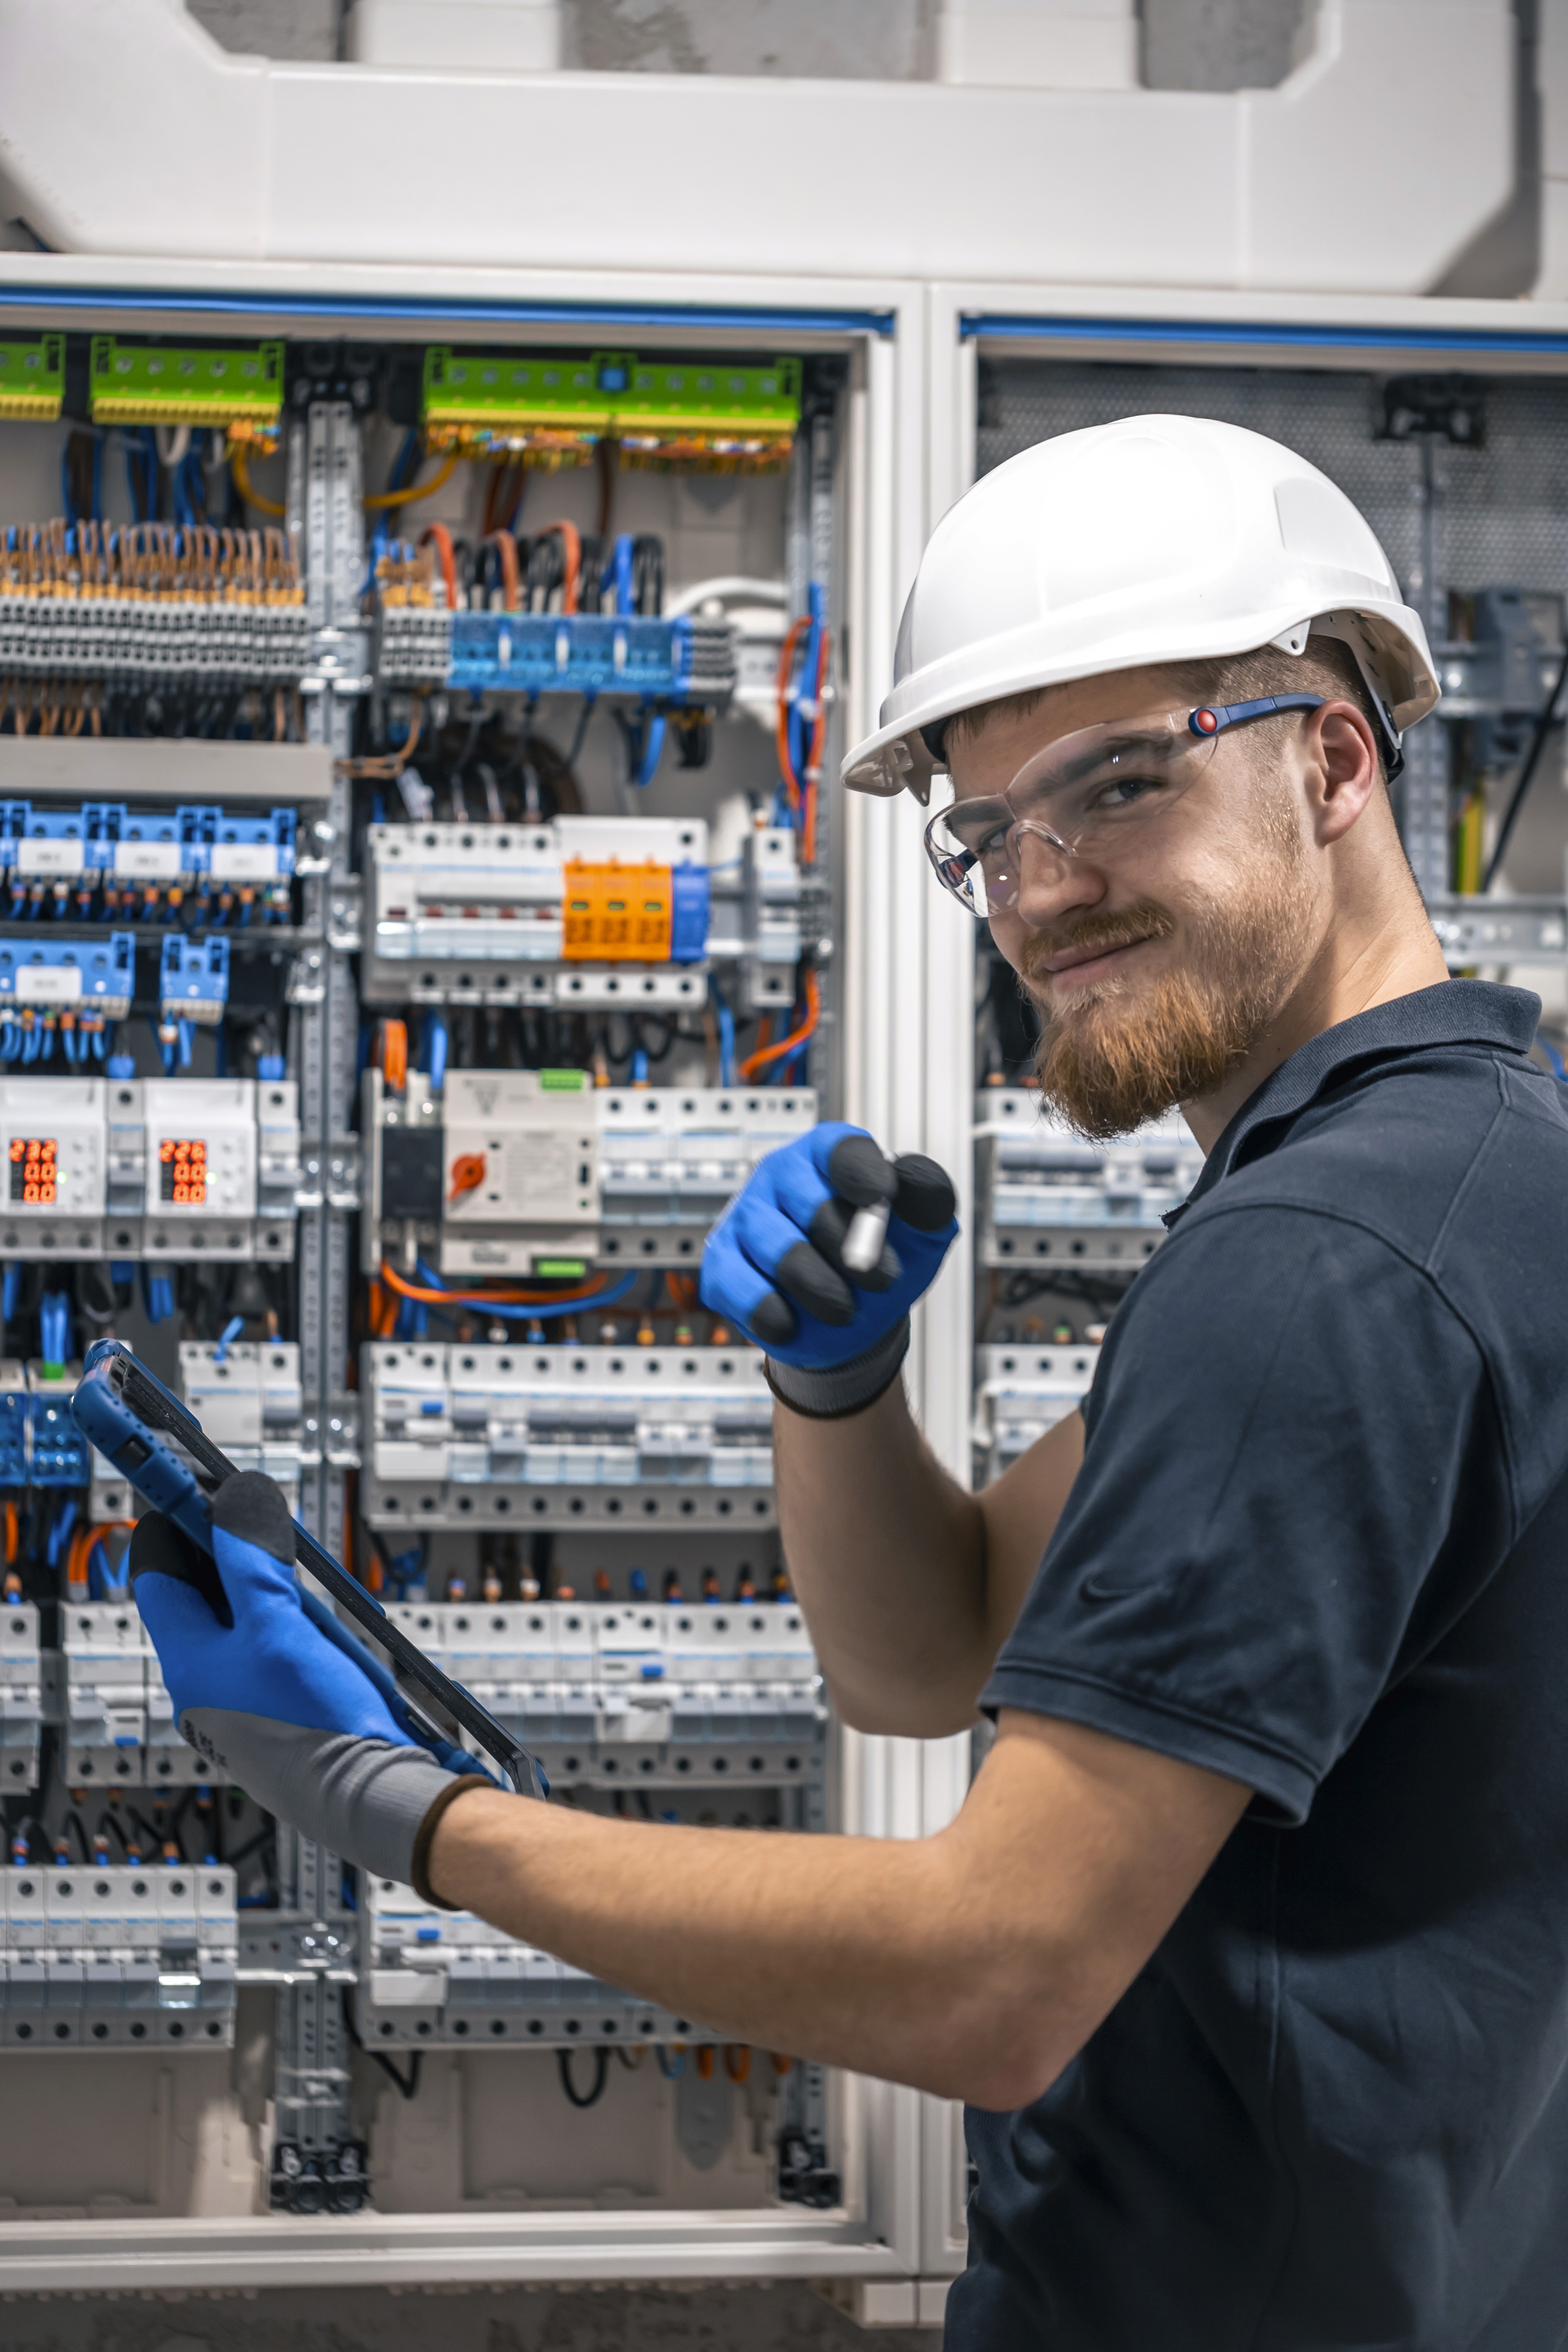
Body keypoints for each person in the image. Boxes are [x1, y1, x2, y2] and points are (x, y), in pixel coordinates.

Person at [130, 415, 1568, 2349]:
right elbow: (937, 1652)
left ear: (1332, 756)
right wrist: (840, 1391)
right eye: (987, 835)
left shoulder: (1323, 1264)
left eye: (1121, 785)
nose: (1043, 893)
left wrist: (406, 1815)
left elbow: (993, 1980)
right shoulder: (1467, 1170)